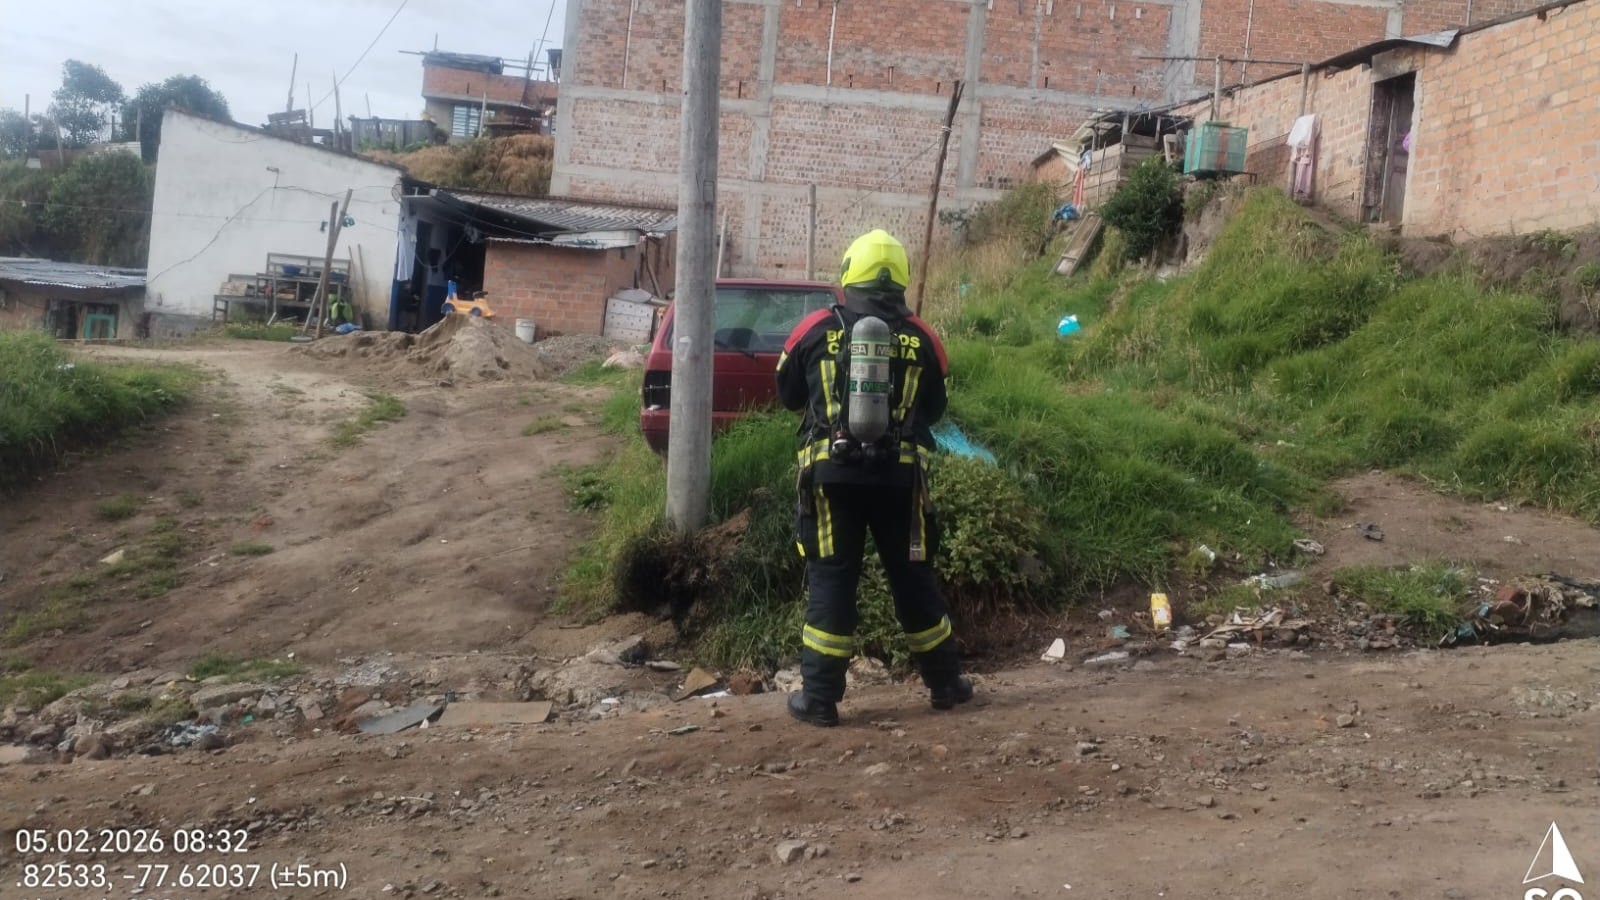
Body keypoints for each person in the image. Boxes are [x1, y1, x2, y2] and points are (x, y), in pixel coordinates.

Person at [775, 228, 972, 727]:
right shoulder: (923, 336)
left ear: (848, 275)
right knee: (913, 579)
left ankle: (819, 699)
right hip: (901, 483)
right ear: (901, 280)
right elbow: (935, 408)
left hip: (830, 476)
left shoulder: (816, 327)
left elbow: (789, 394)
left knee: (833, 580)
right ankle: (946, 685)